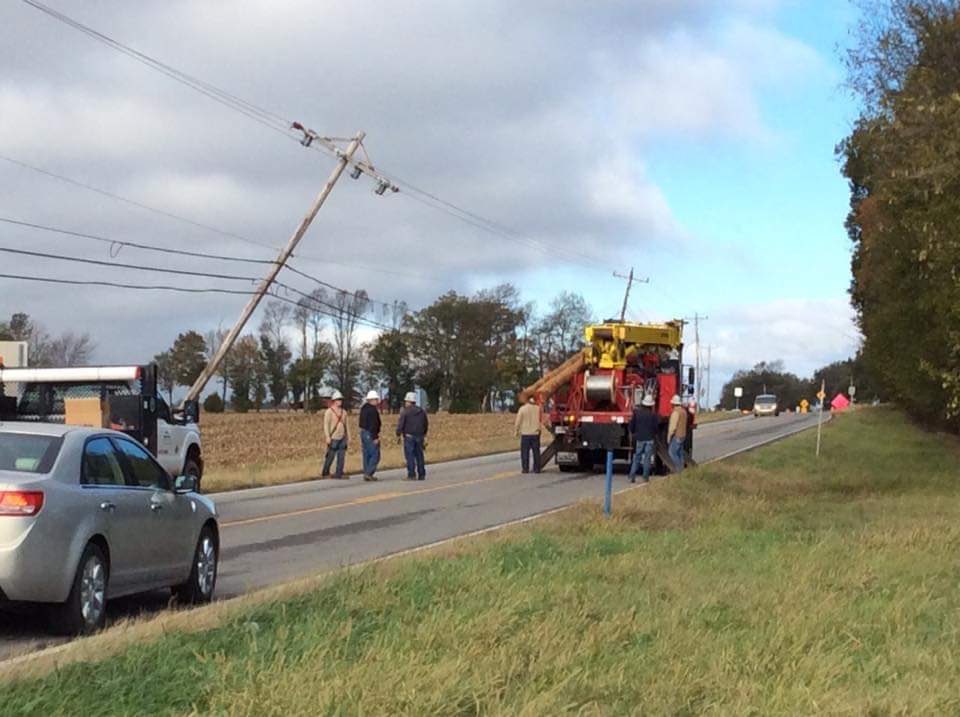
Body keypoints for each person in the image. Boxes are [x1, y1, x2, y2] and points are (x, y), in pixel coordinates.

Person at [396, 391, 428, 480]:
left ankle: (411, 474)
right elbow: (425, 423)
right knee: (419, 455)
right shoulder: (421, 411)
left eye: (406, 401)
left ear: (409, 401)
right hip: (420, 436)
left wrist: (398, 433)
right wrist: (424, 434)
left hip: (409, 436)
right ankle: (422, 474)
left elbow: (401, 424)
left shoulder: (405, 412)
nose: (405, 403)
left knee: (410, 456)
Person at [628, 394, 659, 483]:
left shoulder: (637, 413)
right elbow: (656, 428)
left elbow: (632, 425)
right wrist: (654, 434)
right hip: (649, 439)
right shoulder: (653, 415)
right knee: (647, 458)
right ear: (651, 405)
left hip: (640, 438)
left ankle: (632, 476)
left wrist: (633, 433)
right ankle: (645, 477)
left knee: (637, 457)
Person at [321, 390, 350, 479]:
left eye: (341, 400)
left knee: (341, 457)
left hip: (342, 437)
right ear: (334, 401)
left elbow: (347, 425)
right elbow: (326, 425)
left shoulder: (344, 412)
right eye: (338, 400)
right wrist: (327, 437)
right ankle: (325, 472)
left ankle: (339, 473)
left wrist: (349, 436)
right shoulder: (329, 412)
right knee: (330, 456)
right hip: (333, 437)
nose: (340, 401)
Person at [514, 396, 542, 474]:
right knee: (536, 452)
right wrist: (540, 430)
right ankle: (537, 468)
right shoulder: (537, 409)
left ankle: (525, 468)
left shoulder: (522, 409)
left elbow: (518, 421)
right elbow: (540, 420)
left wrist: (516, 431)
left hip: (525, 433)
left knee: (525, 452)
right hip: (535, 433)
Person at [359, 390, 382, 482]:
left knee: (366, 454)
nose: (377, 401)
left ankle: (366, 472)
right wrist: (375, 437)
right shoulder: (372, 410)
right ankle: (369, 473)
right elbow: (374, 424)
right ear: (372, 400)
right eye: (376, 399)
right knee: (375, 454)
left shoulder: (363, 408)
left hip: (363, 433)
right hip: (370, 433)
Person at [667, 394, 688, 472]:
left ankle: (678, 469)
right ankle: (681, 469)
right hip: (683, 435)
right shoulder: (684, 411)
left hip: (677, 435)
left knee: (672, 452)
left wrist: (669, 437)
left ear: (673, 403)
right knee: (680, 453)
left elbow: (672, 427)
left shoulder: (675, 412)